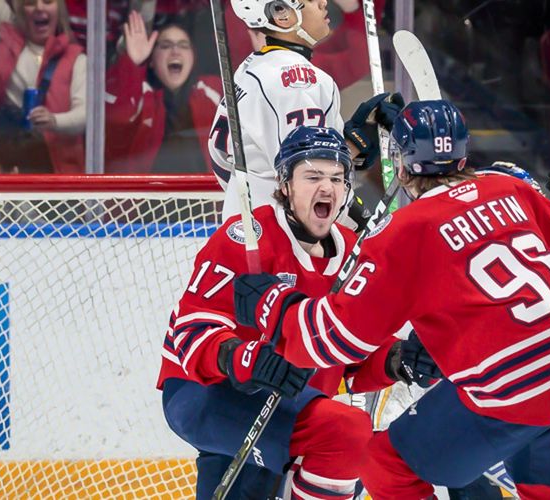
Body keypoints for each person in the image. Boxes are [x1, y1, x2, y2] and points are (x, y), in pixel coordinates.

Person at [231, 100, 550, 499]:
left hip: (511, 383)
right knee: (537, 455)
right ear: (463, 155)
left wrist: (271, 305)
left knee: (384, 464)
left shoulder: (403, 232)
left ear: (400, 167)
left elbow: (335, 339)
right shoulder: (508, 187)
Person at [159, 127, 407, 500]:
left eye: (336, 178)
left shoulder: (354, 255)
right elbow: (191, 330)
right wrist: (246, 358)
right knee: (345, 434)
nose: (327, 187)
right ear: (285, 184)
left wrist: (397, 359)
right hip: (206, 391)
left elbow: (351, 357)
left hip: (290, 399)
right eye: (313, 177)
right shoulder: (247, 237)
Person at [208, 0, 402, 218]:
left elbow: (223, 162)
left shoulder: (250, 69)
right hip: (281, 230)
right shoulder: (299, 83)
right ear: (281, 14)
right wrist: (356, 145)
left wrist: (348, 142)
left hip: (244, 224)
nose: (323, 2)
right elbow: (310, 182)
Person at [0, 0, 86, 173]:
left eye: (47, 1)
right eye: (30, 2)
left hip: (54, 168)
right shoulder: (2, 36)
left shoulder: (78, 60)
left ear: (59, 9)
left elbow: (85, 115)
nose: (39, 7)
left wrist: (54, 120)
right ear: (19, 10)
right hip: (1, 159)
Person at [106, 13, 222, 173]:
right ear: (152, 60)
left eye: (183, 45)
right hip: (149, 189)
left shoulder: (213, 90)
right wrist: (132, 63)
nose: (175, 51)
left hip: (204, 189)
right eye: (166, 46)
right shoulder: (141, 95)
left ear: (193, 57)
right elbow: (117, 120)